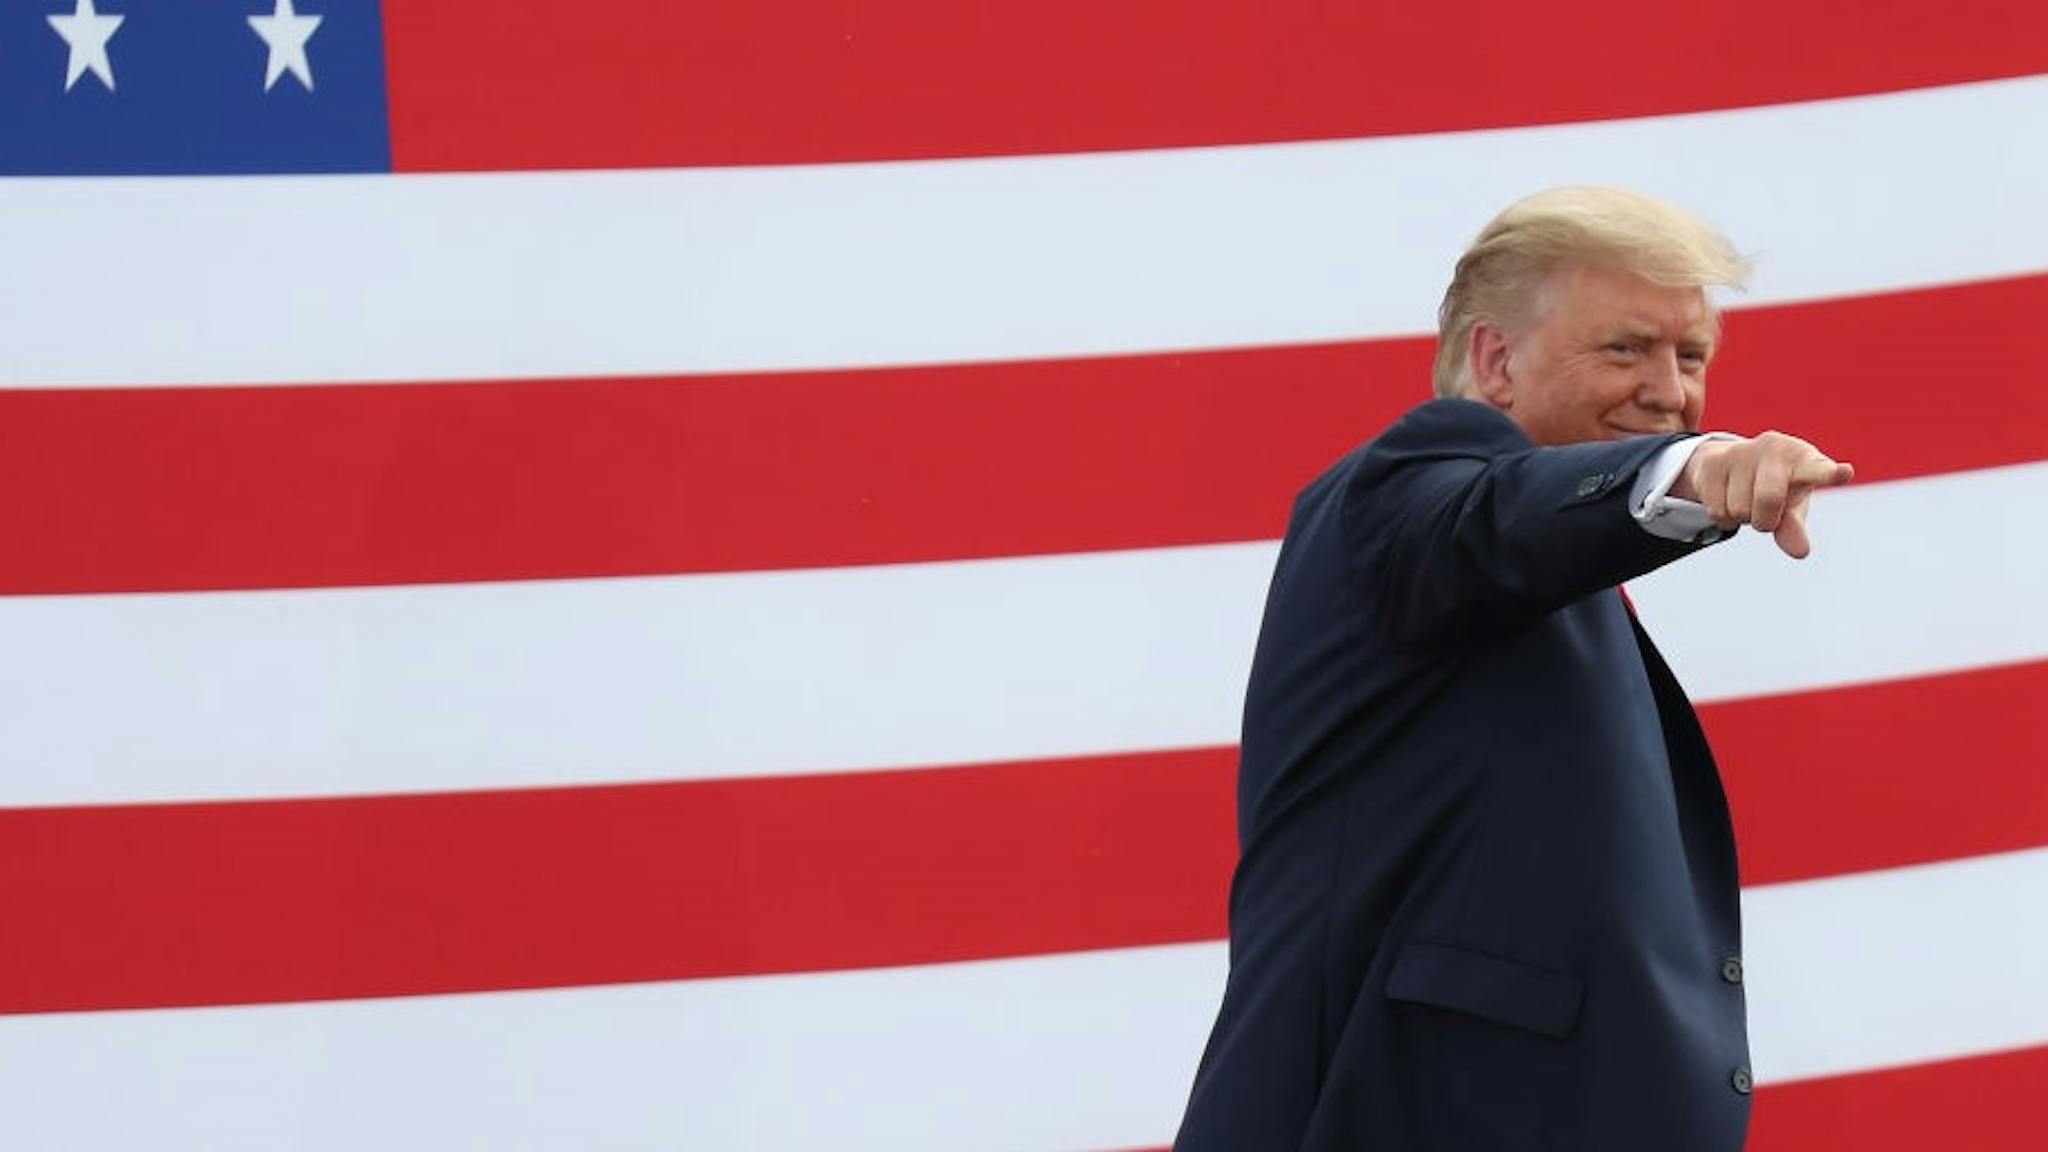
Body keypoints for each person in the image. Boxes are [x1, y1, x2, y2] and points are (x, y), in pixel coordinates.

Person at [1173, 187, 1853, 1151]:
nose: (1669, 392)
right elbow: (1497, 519)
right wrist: (1688, 472)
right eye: (1625, 348)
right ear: (1495, 360)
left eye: (1691, 356)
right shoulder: (1405, 489)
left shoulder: (1552, 577)